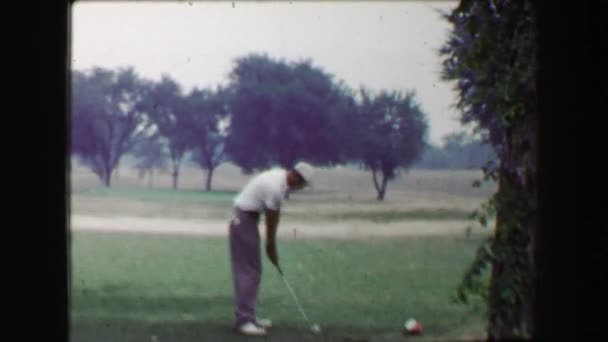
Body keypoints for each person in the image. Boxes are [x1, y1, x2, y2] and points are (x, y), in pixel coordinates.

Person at [228, 161, 314, 336]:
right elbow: (271, 221)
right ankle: (244, 321)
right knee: (248, 271)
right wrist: (271, 248)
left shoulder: (280, 179)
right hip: (243, 219)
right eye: (302, 185)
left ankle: (249, 316)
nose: (301, 188)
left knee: (253, 270)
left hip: (247, 218)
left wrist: (270, 249)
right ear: (296, 177)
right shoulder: (275, 188)